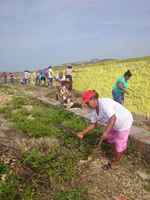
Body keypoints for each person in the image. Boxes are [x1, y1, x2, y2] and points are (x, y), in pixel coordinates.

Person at [77, 90, 133, 170]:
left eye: (87, 102)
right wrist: (82, 133)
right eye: (86, 103)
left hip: (124, 122)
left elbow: (113, 118)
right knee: (110, 138)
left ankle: (116, 162)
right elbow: (93, 124)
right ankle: (118, 150)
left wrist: (106, 132)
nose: (86, 104)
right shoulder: (94, 111)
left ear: (94, 99)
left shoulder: (104, 103)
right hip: (113, 124)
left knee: (119, 144)